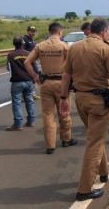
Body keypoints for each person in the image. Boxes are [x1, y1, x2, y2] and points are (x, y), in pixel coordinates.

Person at [58, 17, 109, 201]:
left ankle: (103, 170)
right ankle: (84, 190)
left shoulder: (74, 47)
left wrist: (63, 98)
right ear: (104, 32)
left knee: (96, 135)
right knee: (94, 142)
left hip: (80, 98)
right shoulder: (106, 49)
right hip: (98, 101)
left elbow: (65, 76)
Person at [24, 22, 76, 154]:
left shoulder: (40, 46)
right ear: (59, 32)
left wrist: (35, 77)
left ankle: (50, 145)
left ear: (50, 32)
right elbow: (73, 66)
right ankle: (66, 139)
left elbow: (27, 62)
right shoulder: (65, 46)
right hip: (61, 83)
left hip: (45, 83)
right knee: (64, 112)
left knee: (48, 114)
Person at [6, 36, 36, 130]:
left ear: (14, 44)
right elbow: (35, 66)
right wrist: (35, 77)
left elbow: (9, 68)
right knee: (30, 101)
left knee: (16, 102)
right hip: (28, 80)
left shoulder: (10, 55)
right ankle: (31, 121)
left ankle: (18, 124)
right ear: (23, 43)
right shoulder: (28, 53)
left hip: (17, 81)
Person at [23, 25, 41, 100]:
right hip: (28, 61)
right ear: (28, 31)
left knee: (35, 74)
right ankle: (30, 93)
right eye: (32, 31)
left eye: (34, 32)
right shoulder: (24, 39)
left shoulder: (31, 40)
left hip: (33, 60)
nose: (33, 33)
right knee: (32, 75)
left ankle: (31, 92)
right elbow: (22, 51)